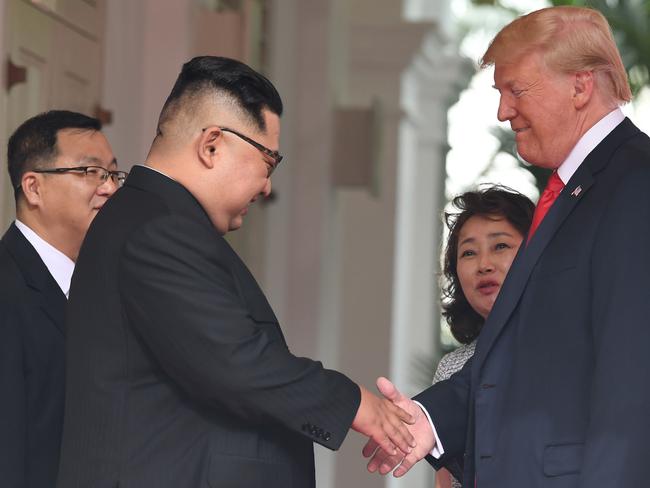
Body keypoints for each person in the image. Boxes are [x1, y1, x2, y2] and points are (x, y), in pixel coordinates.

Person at [56, 56, 414, 488]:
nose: (267, 185)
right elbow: (235, 361)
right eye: (269, 160)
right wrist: (357, 404)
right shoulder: (158, 229)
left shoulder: (152, 218)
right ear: (211, 145)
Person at [363, 6, 650, 487]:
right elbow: (522, 353)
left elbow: (633, 382)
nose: (502, 111)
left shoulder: (635, 184)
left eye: (516, 90)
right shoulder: (572, 192)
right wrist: (427, 421)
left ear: (581, 86)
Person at [0, 110, 121, 488]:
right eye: (91, 172)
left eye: (114, 174)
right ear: (34, 187)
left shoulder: (102, 285)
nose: (110, 188)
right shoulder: (7, 286)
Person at [432, 187, 533, 488]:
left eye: (500, 246)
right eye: (469, 252)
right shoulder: (451, 369)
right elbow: (446, 482)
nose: (484, 264)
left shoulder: (573, 349)